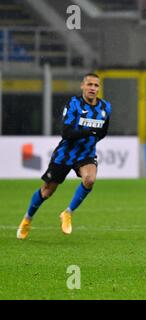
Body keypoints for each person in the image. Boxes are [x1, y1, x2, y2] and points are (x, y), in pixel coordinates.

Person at [16, 73, 112, 239]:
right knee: (47, 191)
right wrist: (88, 131)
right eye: (89, 84)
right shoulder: (74, 104)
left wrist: (93, 137)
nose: (92, 88)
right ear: (82, 86)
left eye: (96, 85)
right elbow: (66, 132)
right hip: (65, 154)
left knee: (89, 180)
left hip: (86, 154)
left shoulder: (105, 108)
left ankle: (67, 213)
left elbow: (103, 132)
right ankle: (27, 219)